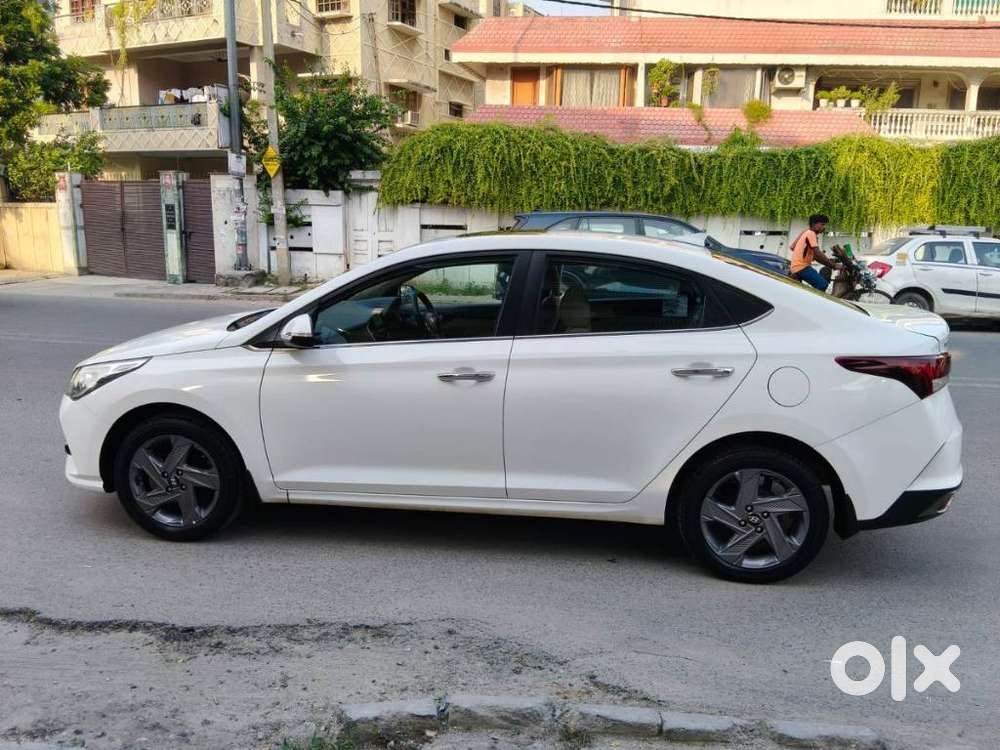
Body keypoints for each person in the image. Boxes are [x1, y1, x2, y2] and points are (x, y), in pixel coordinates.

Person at [789, 214, 841, 291]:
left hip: (795, 267)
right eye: (822, 224)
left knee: (800, 291)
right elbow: (817, 254)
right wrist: (833, 265)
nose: (824, 227)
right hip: (802, 267)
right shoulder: (811, 233)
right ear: (814, 224)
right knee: (822, 284)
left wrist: (809, 255)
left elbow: (792, 247)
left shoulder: (806, 232)